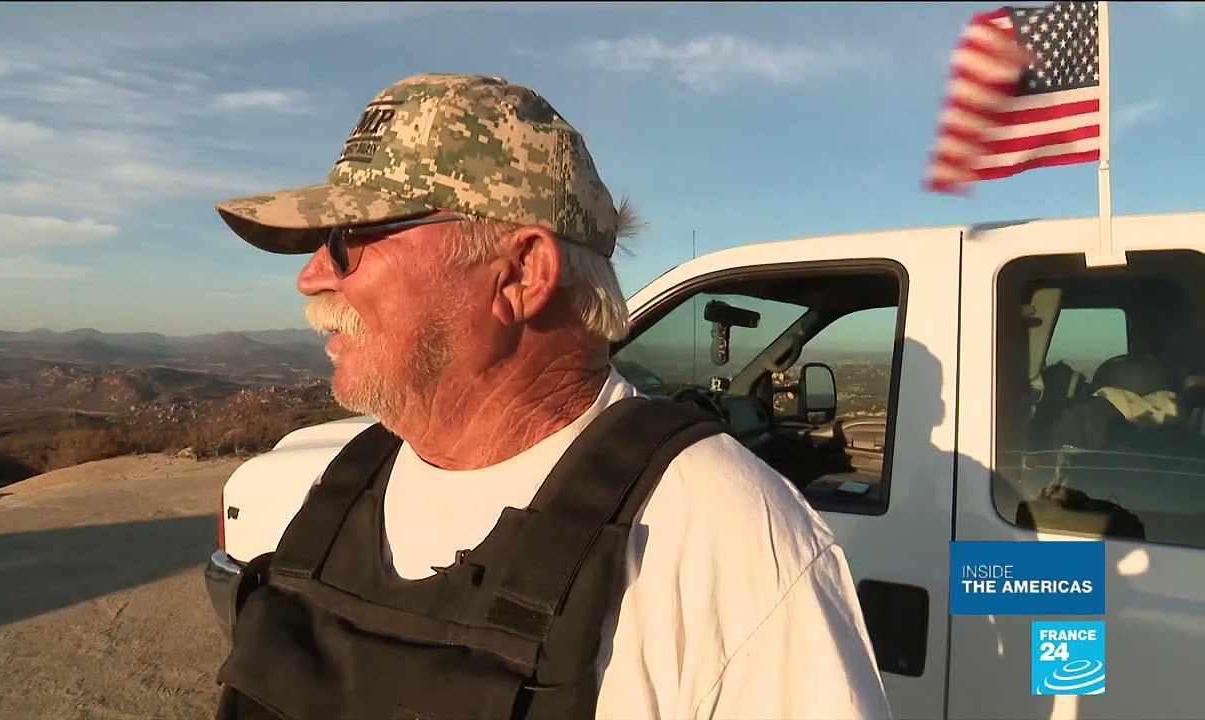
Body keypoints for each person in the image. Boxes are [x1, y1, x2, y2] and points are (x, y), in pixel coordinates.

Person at [212, 72, 892, 720]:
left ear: (522, 273)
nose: (310, 278)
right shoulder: (350, 479)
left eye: (345, 240)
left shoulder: (725, 538)